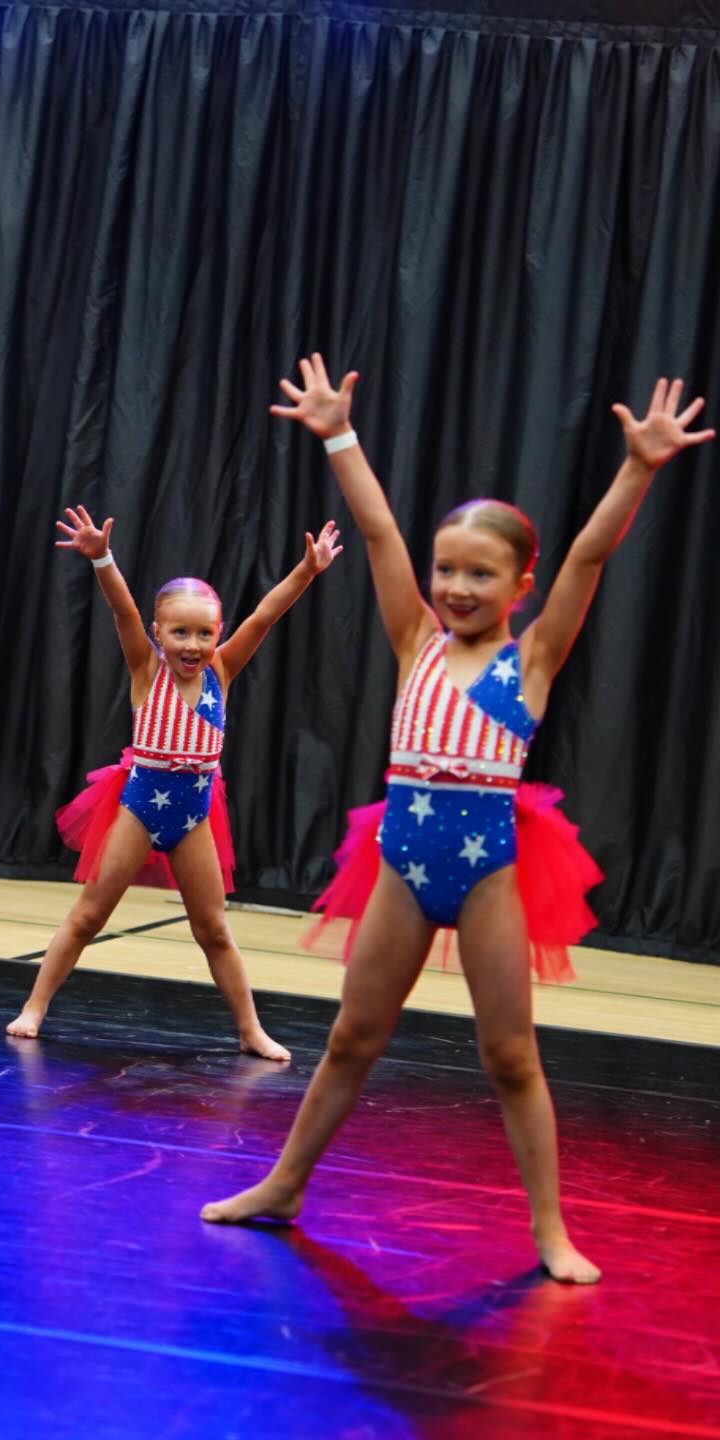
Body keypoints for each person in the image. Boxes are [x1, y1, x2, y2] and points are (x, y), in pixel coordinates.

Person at [202, 354, 714, 1284]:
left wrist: (638, 467)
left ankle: (550, 1230)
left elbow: (592, 556)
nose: (456, 588)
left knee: (509, 1054)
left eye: (480, 575)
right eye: (448, 571)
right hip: (401, 856)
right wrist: (339, 435)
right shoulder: (413, 641)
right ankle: (282, 1185)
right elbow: (380, 530)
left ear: (521, 587)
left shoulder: (537, 657)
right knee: (355, 1035)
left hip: (487, 867)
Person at [5, 504, 343, 1057]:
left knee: (212, 928)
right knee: (90, 913)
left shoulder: (222, 670)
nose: (192, 645)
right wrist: (103, 559)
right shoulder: (147, 668)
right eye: (179, 632)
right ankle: (34, 1006)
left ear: (218, 634)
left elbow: (265, 615)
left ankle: (250, 1030)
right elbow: (120, 612)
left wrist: (307, 571)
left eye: (203, 633)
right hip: (140, 803)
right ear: (158, 632)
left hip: (194, 812)